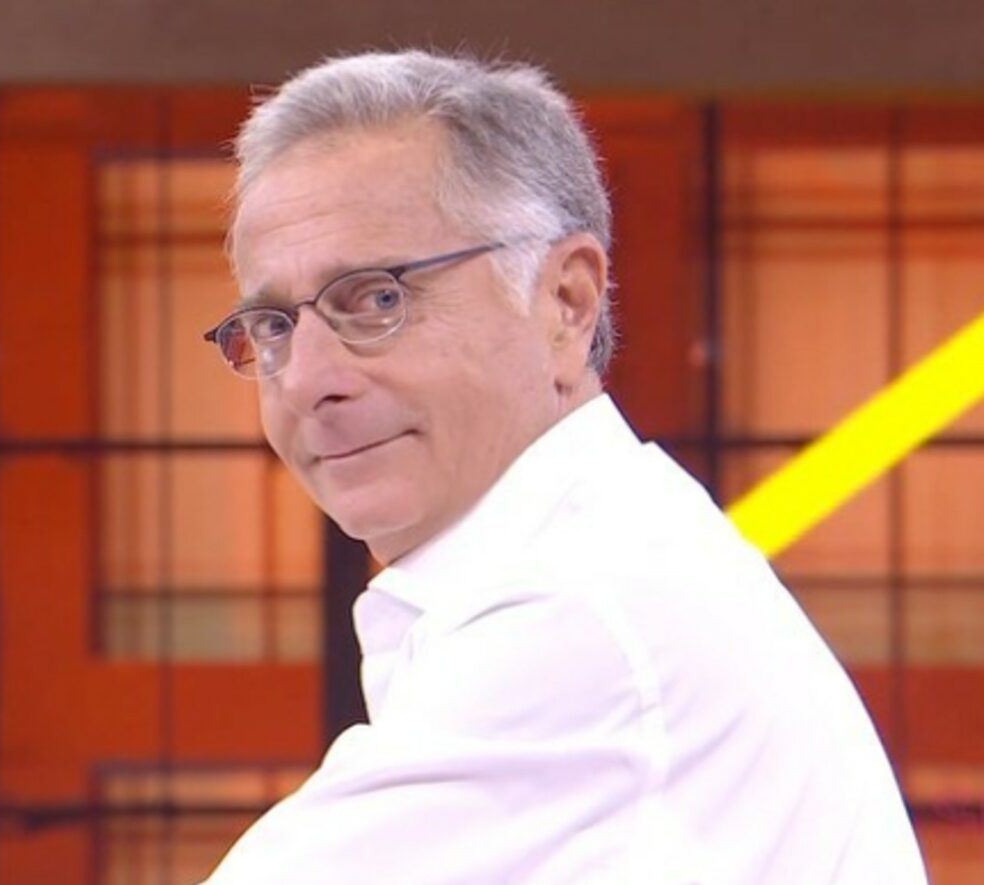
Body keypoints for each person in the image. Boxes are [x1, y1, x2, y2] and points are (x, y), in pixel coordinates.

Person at [200, 50, 927, 884]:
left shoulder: (577, 611)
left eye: (376, 298)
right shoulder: (613, 554)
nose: (307, 380)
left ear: (567, 303)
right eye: (273, 326)